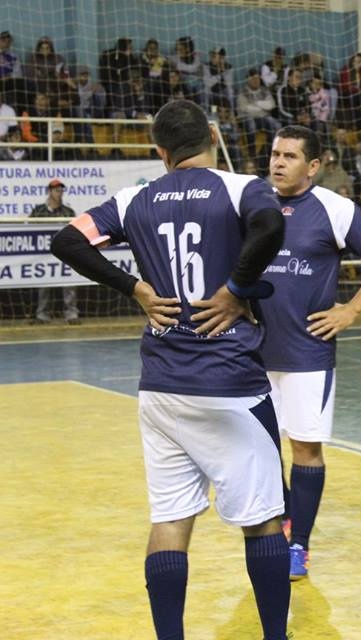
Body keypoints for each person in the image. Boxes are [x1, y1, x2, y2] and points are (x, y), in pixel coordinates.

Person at [49, 99, 290, 640]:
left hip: (160, 386)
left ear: (159, 151)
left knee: (171, 518)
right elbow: (271, 223)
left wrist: (134, 288)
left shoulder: (135, 199)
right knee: (263, 519)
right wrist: (234, 290)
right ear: (210, 134)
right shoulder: (238, 187)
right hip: (229, 384)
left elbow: (64, 240)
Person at [260, 125, 361, 580]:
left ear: (313, 165)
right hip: (252, 352)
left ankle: (298, 543)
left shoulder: (335, 209)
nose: (278, 163)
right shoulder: (254, 203)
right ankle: (283, 521)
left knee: (305, 448)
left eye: (289, 156)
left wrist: (352, 310)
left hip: (307, 354)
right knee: (259, 450)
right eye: (275, 155)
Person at [30, 179, 79, 324]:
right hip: (44, 255)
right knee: (44, 283)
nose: (60, 194)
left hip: (64, 254)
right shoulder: (38, 211)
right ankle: (42, 315)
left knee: (69, 281)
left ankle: (71, 314)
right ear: (50, 191)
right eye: (57, 191)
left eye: (61, 191)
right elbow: (30, 231)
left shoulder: (68, 212)